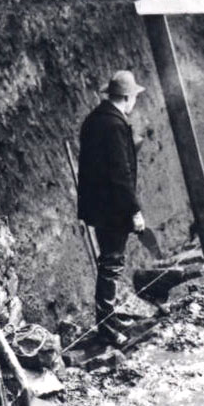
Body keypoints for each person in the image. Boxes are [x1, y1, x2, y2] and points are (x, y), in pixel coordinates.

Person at [77, 70, 147, 345]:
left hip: (97, 205)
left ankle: (111, 317)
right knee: (111, 264)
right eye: (134, 98)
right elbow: (121, 173)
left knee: (110, 262)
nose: (134, 103)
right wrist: (134, 210)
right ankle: (107, 327)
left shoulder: (94, 120)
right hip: (112, 207)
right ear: (128, 98)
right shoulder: (116, 125)